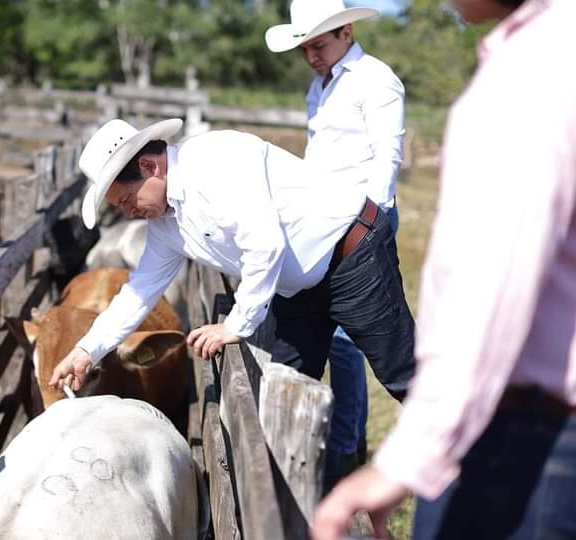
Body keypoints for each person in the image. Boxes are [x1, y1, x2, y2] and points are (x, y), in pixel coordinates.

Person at [311, 0, 576, 538]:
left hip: (528, 430)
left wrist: (411, 455)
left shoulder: (529, 72)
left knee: (378, 349)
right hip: (529, 421)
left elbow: (492, 282)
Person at [48, 118, 415, 434]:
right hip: (298, 288)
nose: (129, 212)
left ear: (149, 167)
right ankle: (300, 497)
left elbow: (265, 244)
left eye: (127, 199)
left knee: (403, 375)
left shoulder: (215, 161)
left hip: (351, 255)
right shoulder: (165, 224)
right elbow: (140, 290)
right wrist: (87, 350)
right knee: (282, 396)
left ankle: (463, 475)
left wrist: (236, 325)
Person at [266, 0, 407, 489]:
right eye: (305, 48)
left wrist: (369, 223)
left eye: (319, 45)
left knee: (352, 345)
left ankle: (346, 451)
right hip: (322, 224)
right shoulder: (319, 86)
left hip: (362, 224)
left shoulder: (375, 78)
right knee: (330, 338)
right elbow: (317, 159)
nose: (311, 55)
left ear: (347, 32)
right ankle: (338, 449)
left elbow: (387, 154)